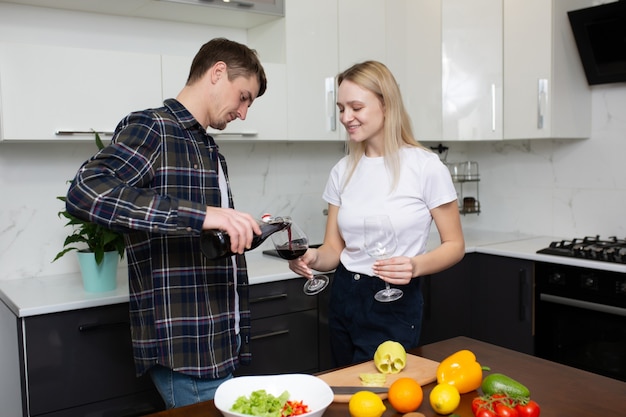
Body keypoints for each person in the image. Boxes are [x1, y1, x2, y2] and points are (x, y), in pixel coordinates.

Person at [65, 37, 267, 408]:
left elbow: (200, 235)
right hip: (187, 349)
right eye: (244, 97)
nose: (243, 112)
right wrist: (203, 214)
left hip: (220, 339)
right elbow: (86, 192)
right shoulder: (154, 127)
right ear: (218, 72)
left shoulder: (205, 146)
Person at [288, 60, 465, 367]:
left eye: (356, 107)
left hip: (394, 300)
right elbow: (334, 250)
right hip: (345, 296)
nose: (346, 117)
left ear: (386, 105)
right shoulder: (342, 171)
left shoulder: (425, 167)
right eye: (341, 108)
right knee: (348, 396)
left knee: (385, 398)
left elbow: (455, 245)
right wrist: (313, 258)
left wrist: (414, 266)